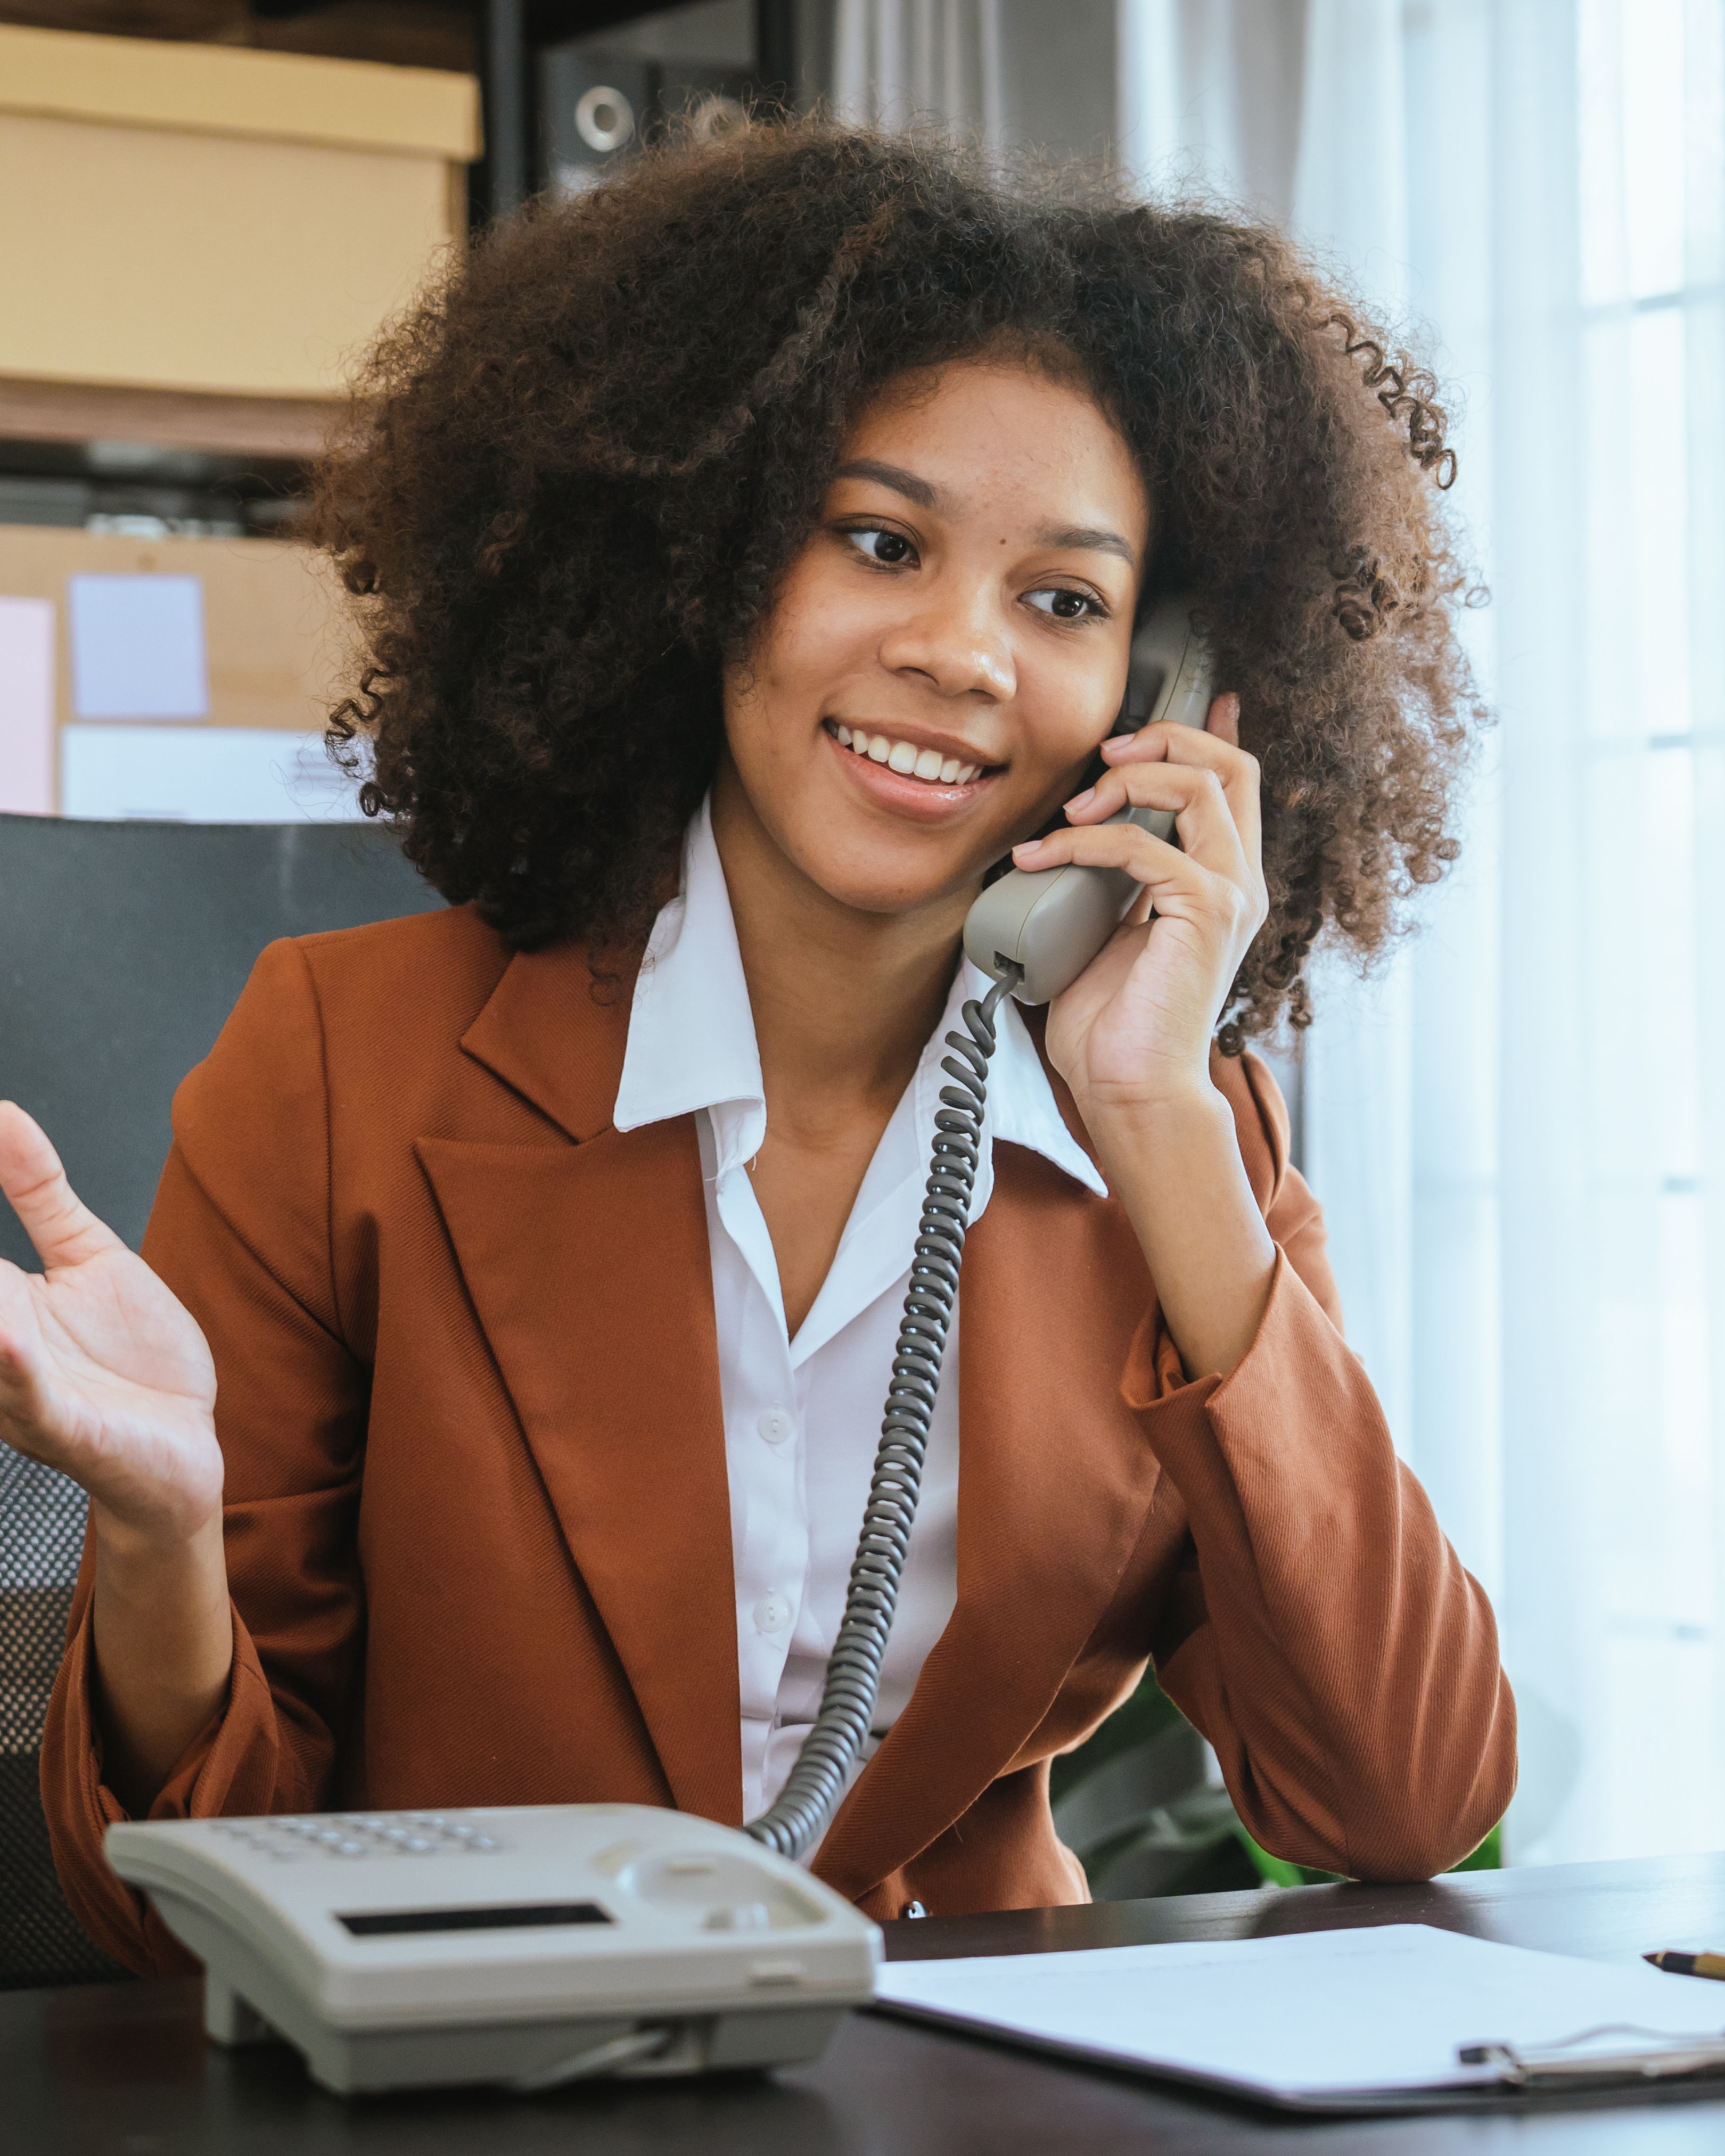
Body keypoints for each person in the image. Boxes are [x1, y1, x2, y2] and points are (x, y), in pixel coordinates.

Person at [0, 122, 1513, 1974]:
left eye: (1065, 601)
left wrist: (1163, 1127)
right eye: (880, 542)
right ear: (704, 561)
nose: (962, 653)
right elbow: (175, 1913)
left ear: (1162, 691)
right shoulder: (345, 1066)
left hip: (976, 2099)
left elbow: (1404, 1802)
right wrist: (159, 1535)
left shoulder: (1184, 1145)